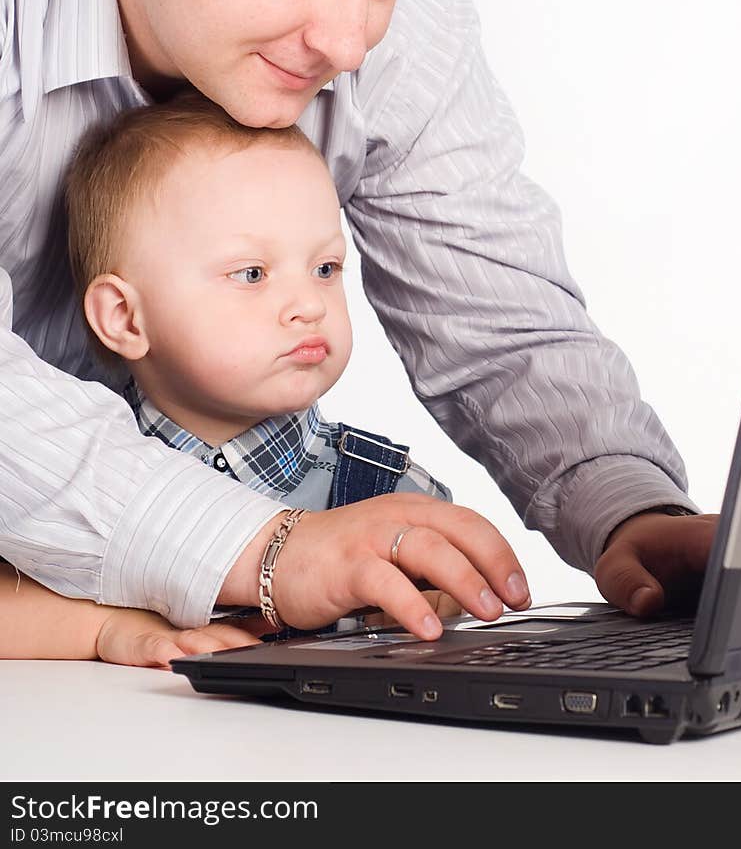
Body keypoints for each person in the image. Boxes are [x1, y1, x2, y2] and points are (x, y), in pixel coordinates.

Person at [0, 0, 714, 643]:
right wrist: (269, 549)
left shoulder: (399, 31)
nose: (347, 40)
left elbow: (496, 315)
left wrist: (635, 512)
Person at [0, 90, 469, 664]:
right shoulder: (50, 486)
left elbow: (449, 618)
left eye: (325, 268)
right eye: (252, 273)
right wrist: (102, 630)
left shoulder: (389, 498)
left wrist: (442, 600)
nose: (308, 305)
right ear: (125, 317)